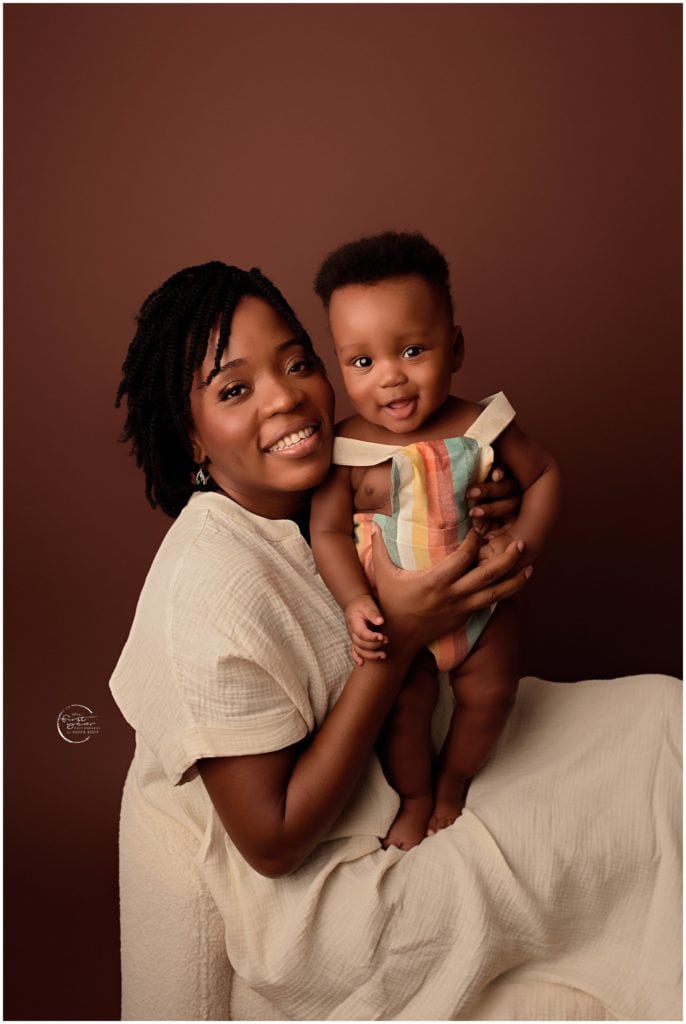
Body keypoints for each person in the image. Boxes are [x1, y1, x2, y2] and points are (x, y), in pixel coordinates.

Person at [110, 259, 680, 1021]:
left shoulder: (308, 491)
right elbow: (273, 843)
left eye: (297, 362)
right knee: (643, 806)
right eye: (235, 389)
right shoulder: (208, 591)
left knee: (663, 718)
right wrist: (401, 639)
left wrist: (488, 493)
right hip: (335, 896)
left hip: (427, 736)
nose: (286, 397)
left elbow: (417, 489)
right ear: (191, 439)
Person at [310, 231, 561, 849]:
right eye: (361, 362)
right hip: (400, 624)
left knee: (491, 696)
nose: (389, 380)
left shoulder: (484, 426)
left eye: (413, 350)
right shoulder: (344, 450)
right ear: (340, 363)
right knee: (401, 715)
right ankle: (416, 795)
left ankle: (452, 784)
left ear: (456, 347)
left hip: (482, 606)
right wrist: (353, 601)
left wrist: (521, 542)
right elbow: (325, 532)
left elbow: (547, 475)